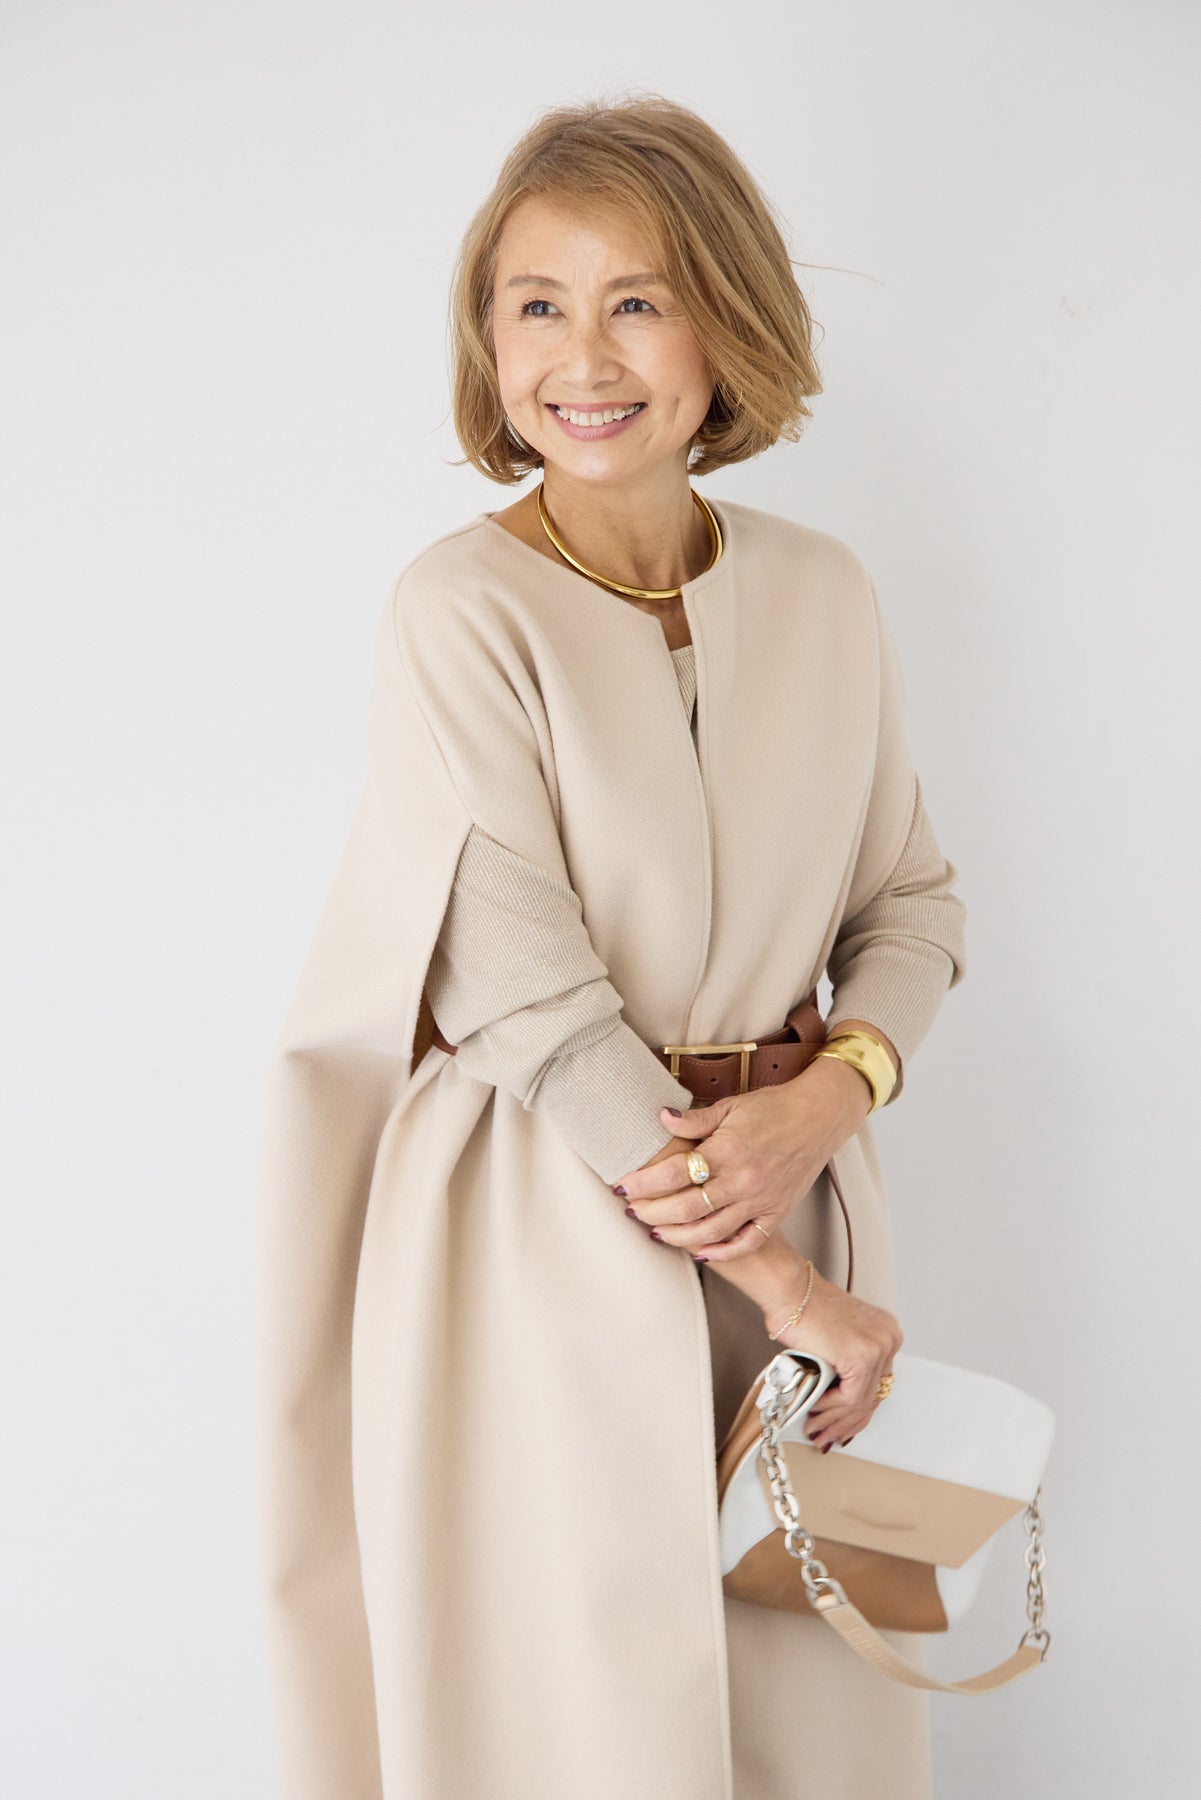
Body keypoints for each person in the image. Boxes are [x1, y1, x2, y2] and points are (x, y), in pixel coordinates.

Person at [253, 94, 967, 1800]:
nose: (582, 357)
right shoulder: (459, 609)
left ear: (726, 321)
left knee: (812, 1704)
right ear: (486, 339)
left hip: (795, 1192)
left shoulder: (824, 590)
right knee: (582, 1717)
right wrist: (792, 1289)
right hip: (544, 1224)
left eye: (637, 300)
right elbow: (535, 1008)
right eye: (535, 305)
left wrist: (828, 1102)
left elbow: (910, 906)